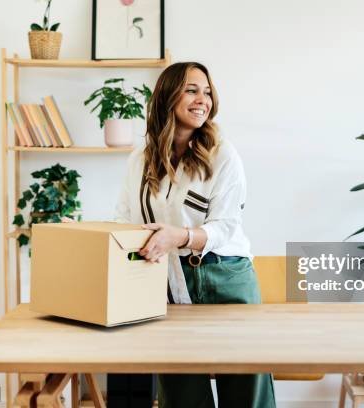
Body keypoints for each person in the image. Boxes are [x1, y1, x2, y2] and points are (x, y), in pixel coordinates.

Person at [115, 62, 276, 408]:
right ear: (167, 97)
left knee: (246, 394)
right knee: (181, 394)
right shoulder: (139, 160)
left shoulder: (223, 154)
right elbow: (125, 221)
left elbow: (226, 225)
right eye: (191, 90)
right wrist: (84, 232)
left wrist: (181, 236)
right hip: (167, 285)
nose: (202, 99)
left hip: (225, 278)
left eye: (206, 91)